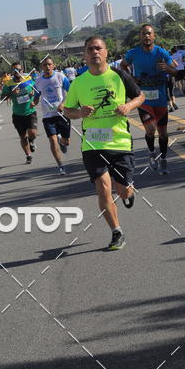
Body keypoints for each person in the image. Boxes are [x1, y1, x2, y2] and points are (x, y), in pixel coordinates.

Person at [64, 37, 144, 250]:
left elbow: (140, 96)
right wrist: (79, 112)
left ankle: (128, 191)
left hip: (119, 141)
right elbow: (67, 110)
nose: (95, 52)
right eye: (90, 49)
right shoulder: (78, 82)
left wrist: (128, 106)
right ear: (85, 54)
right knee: (103, 188)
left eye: (98, 48)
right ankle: (116, 232)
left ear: (106, 52)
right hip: (93, 144)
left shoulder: (119, 75)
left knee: (122, 188)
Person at [121, 24, 177, 174]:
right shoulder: (133, 53)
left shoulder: (161, 53)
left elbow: (175, 71)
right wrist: (132, 79)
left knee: (163, 133)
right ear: (140, 37)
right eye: (143, 34)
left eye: (149, 34)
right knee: (151, 130)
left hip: (160, 98)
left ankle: (163, 158)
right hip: (143, 99)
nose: (146, 36)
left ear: (154, 36)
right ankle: (152, 152)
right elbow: (123, 66)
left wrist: (167, 69)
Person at [33, 57, 71, 174]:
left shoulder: (60, 77)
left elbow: (72, 92)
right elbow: (36, 97)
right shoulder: (38, 81)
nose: (47, 67)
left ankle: (62, 142)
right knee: (52, 140)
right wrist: (33, 103)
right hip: (48, 116)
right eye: (44, 65)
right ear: (42, 68)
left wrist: (63, 104)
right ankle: (60, 166)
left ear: (53, 65)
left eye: (49, 64)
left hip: (62, 114)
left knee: (66, 142)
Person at [1, 62, 38, 164]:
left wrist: (34, 98)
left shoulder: (29, 79)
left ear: (22, 70)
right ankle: (28, 155)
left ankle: (31, 141)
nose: (17, 72)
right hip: (17, 114)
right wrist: (11, 93)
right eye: (14, 70)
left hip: (30, 112)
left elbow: (37, 90)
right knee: (22, 136)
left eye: (19, 70)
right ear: (12, 72)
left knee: (33, 133)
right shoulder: (8, 84)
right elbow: (2, 98)